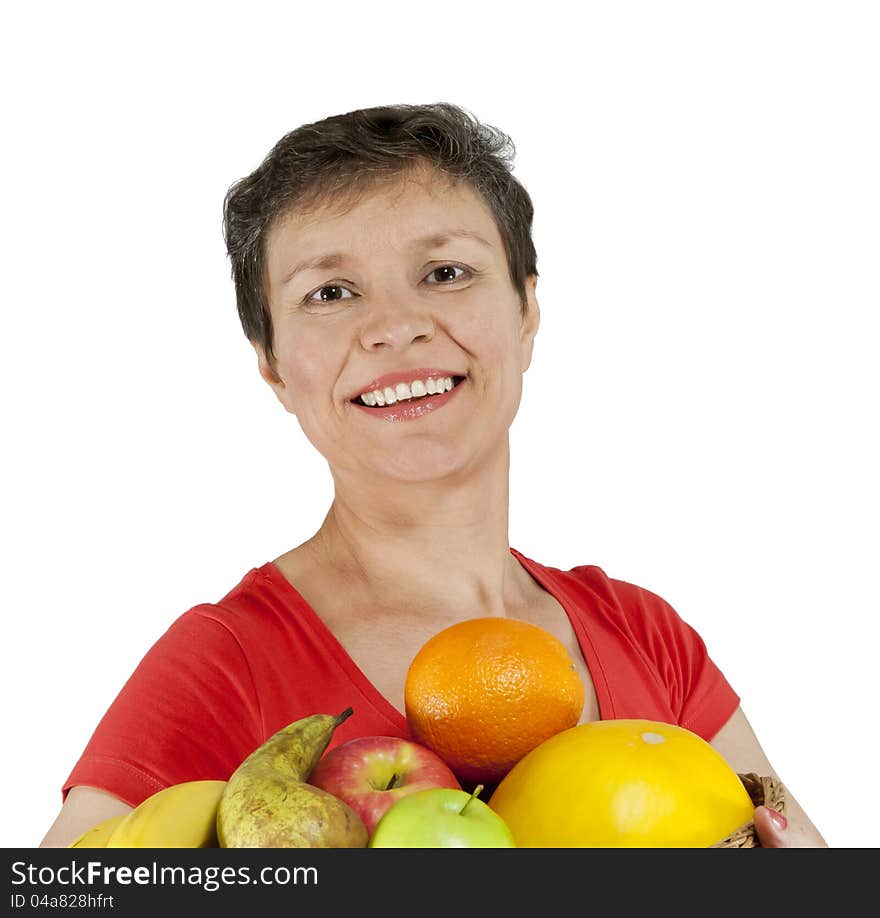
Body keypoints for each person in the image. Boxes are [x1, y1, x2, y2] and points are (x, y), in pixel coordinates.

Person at [39, 102, 827, 848]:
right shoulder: (225, 662)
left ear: (526, 311)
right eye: (331, 292)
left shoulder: (647, 638)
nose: (394, 327)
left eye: (445, 273)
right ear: (273, 366)